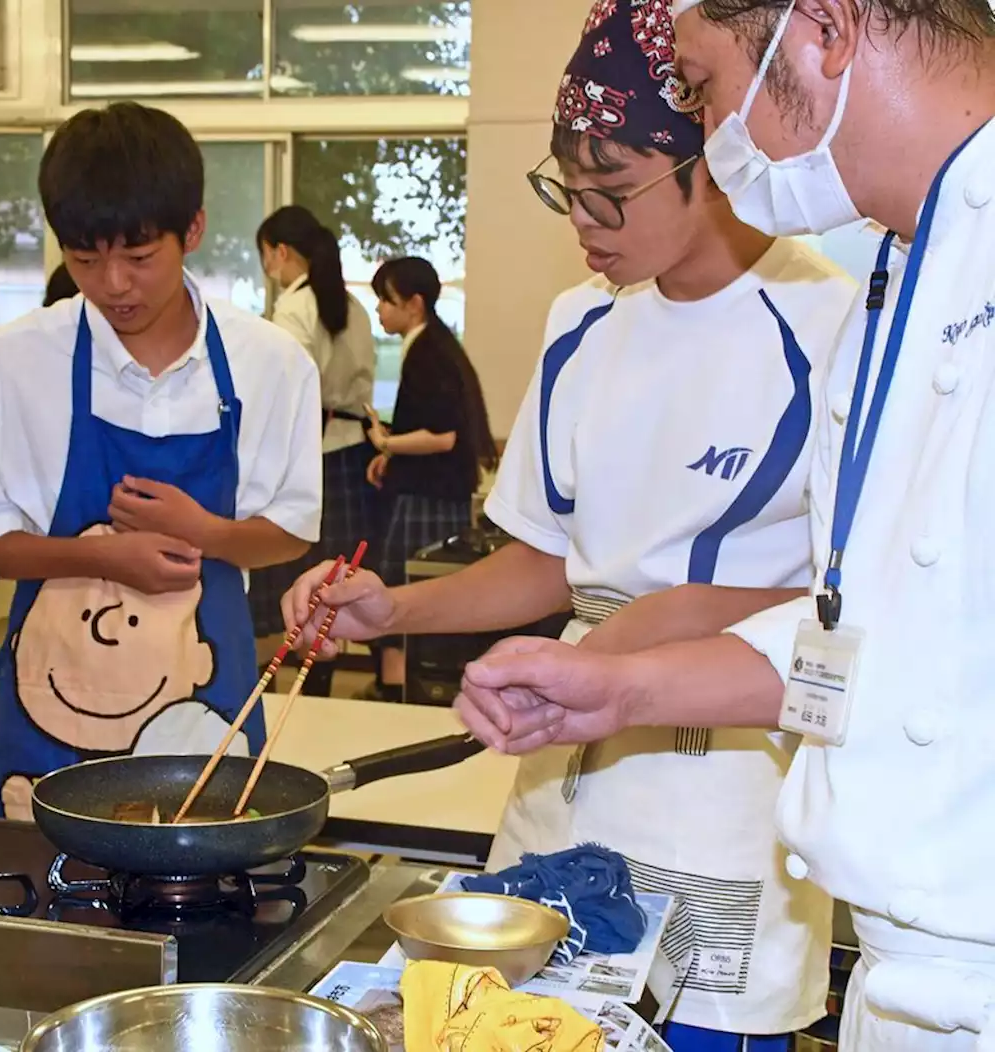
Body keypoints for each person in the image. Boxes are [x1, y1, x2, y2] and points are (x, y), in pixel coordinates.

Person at [282, 0, 859, 1043]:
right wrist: (389, 606)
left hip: (725, 790)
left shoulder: (827, 325)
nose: (581, 223)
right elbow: (550, 561)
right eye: (565, 190)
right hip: (561, 777)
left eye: (611, 192)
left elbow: (845, 606)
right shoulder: (581, 323)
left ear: (716, 155)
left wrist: (660, 620)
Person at [451, 0, 995, 1048]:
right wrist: (619, 684)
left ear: (823, 30)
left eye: (700, 89)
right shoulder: (903, 272)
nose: (719, 137)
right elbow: (873, 639)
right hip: (907, 978)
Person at [0, 102, 322, 820]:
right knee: (32, 908)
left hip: (199, 710)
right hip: (45, 707)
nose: (114, 284)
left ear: (194, 231)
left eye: (140, 257)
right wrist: (107, 560)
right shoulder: (6, 367)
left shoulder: (271, 364)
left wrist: (204, 532)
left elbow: (293, 528)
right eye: (85, 259)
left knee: (204, 896)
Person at [251, 206, 377, 696]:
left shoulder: (292, 308)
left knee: (298, 574)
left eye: (266, 256)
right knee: (334, 576)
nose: (268, 268)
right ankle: (320, 682)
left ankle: (291, 686)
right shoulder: (356, 307)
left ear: (281, 252)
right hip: (351, 451)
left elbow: (285, 388)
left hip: (307, 453)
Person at [362, 256, 497, 702]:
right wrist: (393, 455)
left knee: (408, 592)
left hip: (430, 496)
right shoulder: (434, 345)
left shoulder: (427, 352)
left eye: (387, 300)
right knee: (410, 589)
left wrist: (387, 445)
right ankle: (396, 687)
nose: (380, 309)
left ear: (415, 304)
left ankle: (400, 692)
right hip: (433, 490)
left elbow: (441, 437)